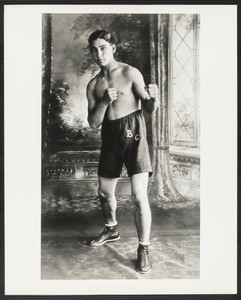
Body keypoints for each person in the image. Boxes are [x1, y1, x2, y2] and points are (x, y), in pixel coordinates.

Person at [86, 30, 160, 274]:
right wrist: (105, 102)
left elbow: (148, 106)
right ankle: (111, 229)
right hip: (110, 138)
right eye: (94, 49)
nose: (99, 54)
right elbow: (94, 123)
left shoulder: (129, 72)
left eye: (103, 47)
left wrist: (155, 99)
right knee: (104, 194)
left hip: (134, 136)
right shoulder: (94, 85)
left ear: (113, 48)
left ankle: (143, 249)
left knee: (138, 196)